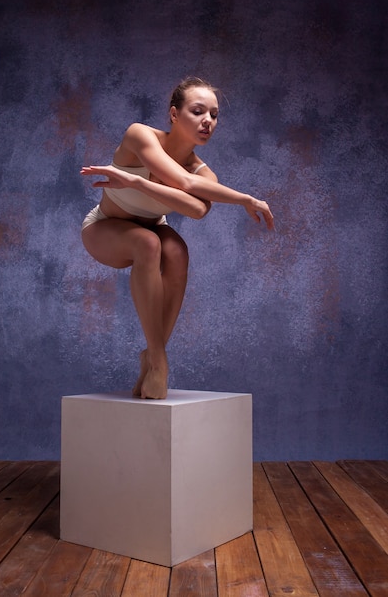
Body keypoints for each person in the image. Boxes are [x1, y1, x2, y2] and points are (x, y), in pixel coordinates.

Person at [81, 76, 274, 400]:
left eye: (214, 115)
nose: (208, 121)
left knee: (176, 251)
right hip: (104, 228)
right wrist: (245, 198)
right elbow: (182, 182)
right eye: (198, 111)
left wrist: (136, 183)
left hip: (152, 228)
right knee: (149, 242)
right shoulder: (139, 134)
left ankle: (153, 357)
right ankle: (160, 361)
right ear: (174, 114)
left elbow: (198, 209)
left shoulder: (204, 174)